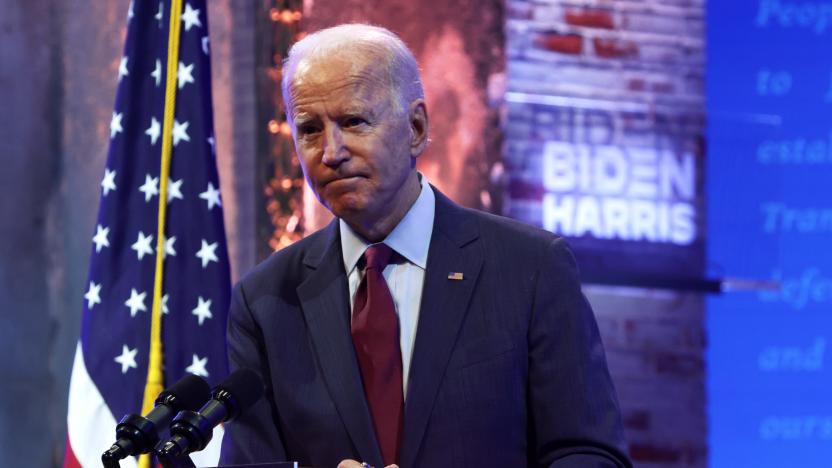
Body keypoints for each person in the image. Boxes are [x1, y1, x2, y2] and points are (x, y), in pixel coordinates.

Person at [219, 24, 631, 468]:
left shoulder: (529, 268)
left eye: (353, 121)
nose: (331, 152)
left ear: (416, 127)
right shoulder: (265, 301)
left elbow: (590, 456)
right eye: (310, 129)